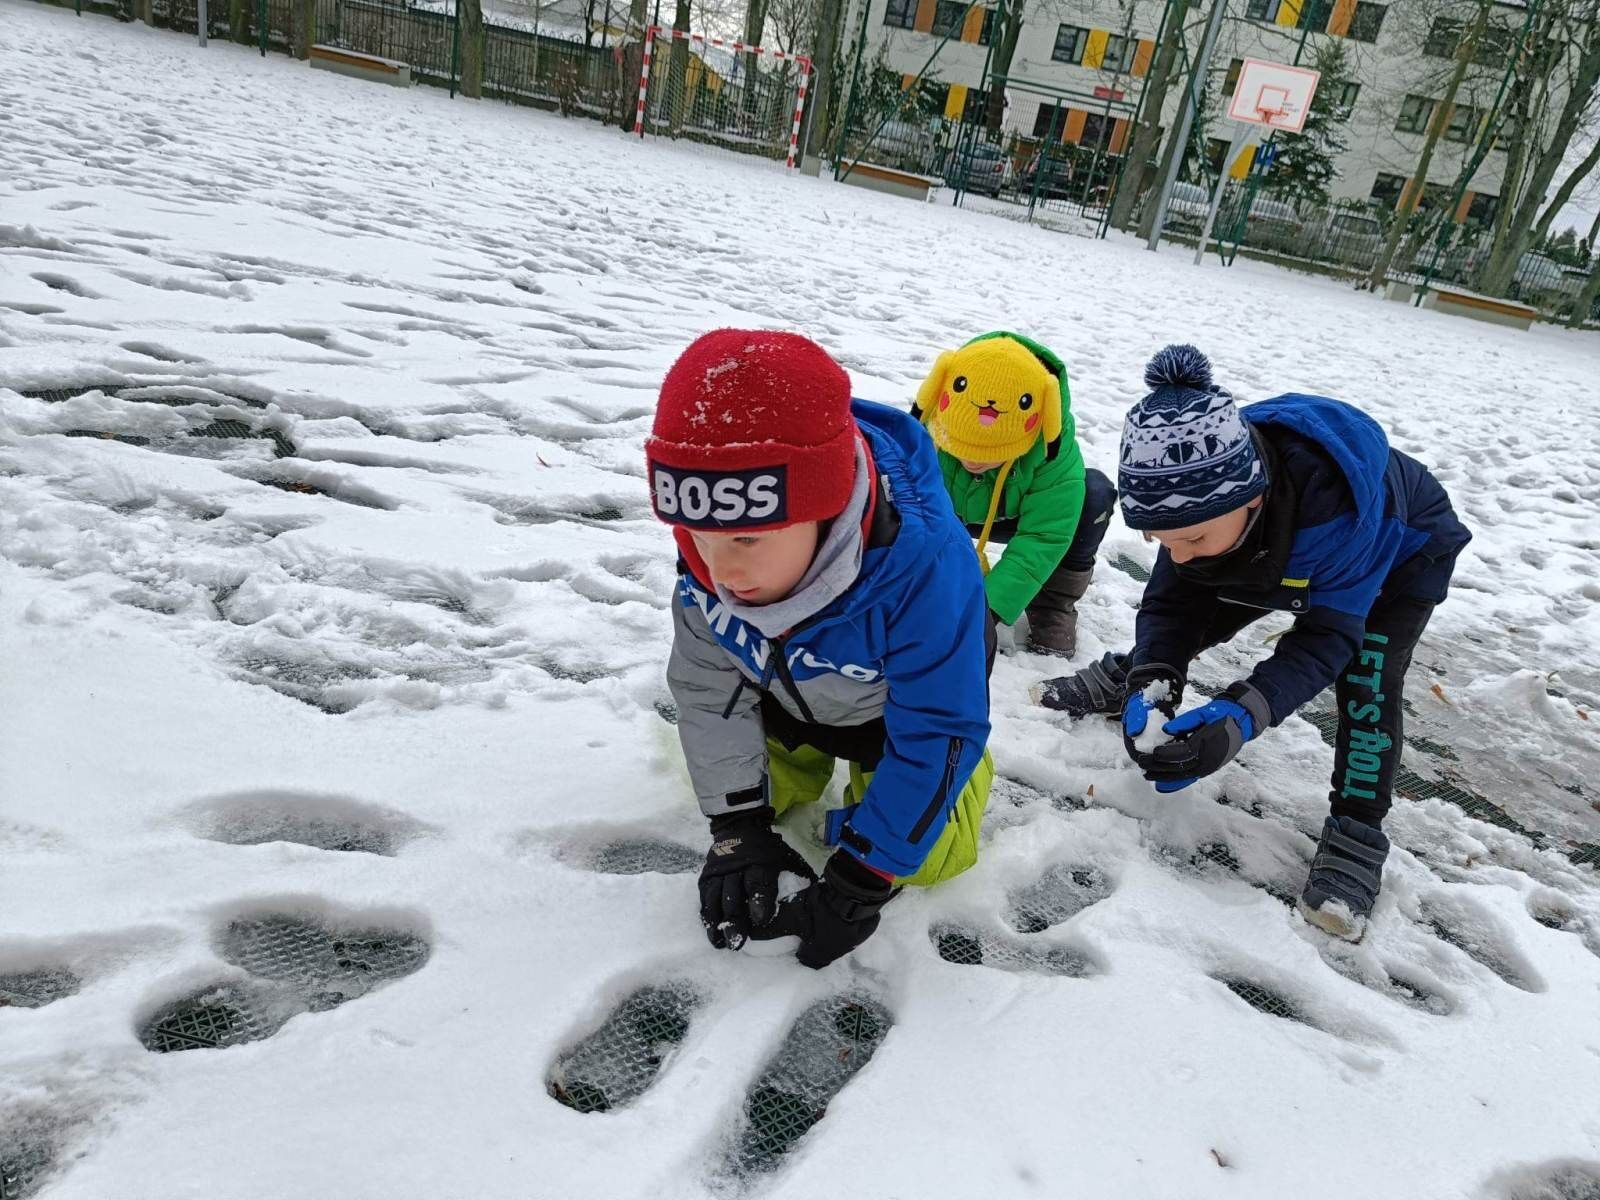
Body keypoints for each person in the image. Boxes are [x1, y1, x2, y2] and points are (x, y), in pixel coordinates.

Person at [1036, 345, 1471, 941]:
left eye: (1190, 538)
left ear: (1252, 497)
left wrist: (1242, 717)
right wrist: (1154, 677)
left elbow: (1324, 640)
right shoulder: (1198, 508)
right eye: (1161, 540)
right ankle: (1128, 678)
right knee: (1197, 607)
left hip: (1399, 559)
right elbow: (1172, 604)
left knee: (1367, 682)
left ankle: (1358, 831)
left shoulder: (1333, 520)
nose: (1176, 553)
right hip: (1266, 544)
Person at [649, 329, 994, 968]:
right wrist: (736, 828)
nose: (719, 570)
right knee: (747, 797)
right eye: (696, 534)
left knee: (929, 858)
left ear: (824, 507)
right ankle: (797, 763)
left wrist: (863, 878)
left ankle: (963, 777)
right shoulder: (710, 560)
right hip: (783, 697)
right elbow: (705, 688)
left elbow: (937, 726)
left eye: (748, 539)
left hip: (893, 720)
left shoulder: (924, 568)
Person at [912, 331, 1116, 662]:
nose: (973, 461)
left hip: (1016, 515)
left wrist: (987, 612)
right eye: (962, 447)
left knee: (1094, 495)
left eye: (989, 452)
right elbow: (906, 506)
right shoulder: (937, 411)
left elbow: (1043, 535)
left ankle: (1052, 605)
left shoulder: (1051, 442)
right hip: (949, 511)